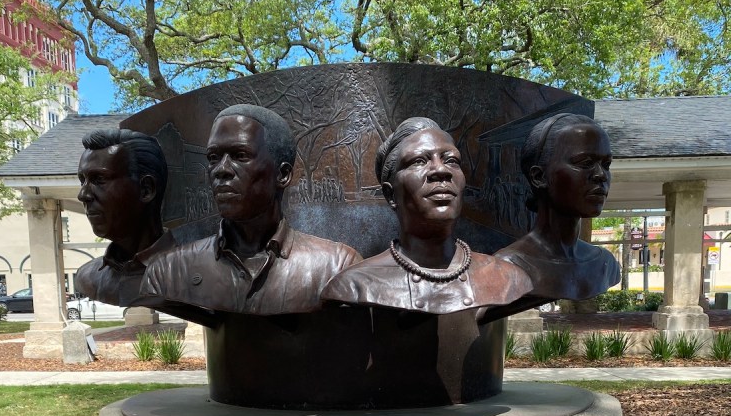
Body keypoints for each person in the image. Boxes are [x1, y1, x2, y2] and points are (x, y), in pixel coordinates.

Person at [141, 105, 361, 315]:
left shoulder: (337, 268)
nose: (221, 170)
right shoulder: (167, 272)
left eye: (240, 156)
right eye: (213, 158)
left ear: (282, 175)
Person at [321, 117, 532, 314]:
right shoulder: (354, 286)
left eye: (451, 160)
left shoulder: (508, 278)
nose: (441, 170)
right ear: (390, 194)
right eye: (419, 161)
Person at [494, 113, 620, 304]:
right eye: (585, 163)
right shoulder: (506, 269)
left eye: (606, 164)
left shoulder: (605, 264)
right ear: (539, 177)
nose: (601, 175)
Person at [74, 129, 176, 306]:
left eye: (99, 180)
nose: (83, 195)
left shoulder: (193, 273)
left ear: (146, 189)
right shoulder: (88, 277)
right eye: (82, 181)